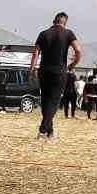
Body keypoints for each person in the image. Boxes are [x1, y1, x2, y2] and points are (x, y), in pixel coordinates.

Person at [29, 11, 80, 140]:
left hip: (44, 71)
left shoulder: (43, 33)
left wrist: (31, 70)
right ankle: (43, 131)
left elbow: (35, 53)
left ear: (54, 21)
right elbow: (78, 50)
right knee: (53, 102)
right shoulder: (68, 33)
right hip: (59, 72)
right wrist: (73, 63)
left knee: (46, 101)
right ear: (65, 22)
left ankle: (49, 131)